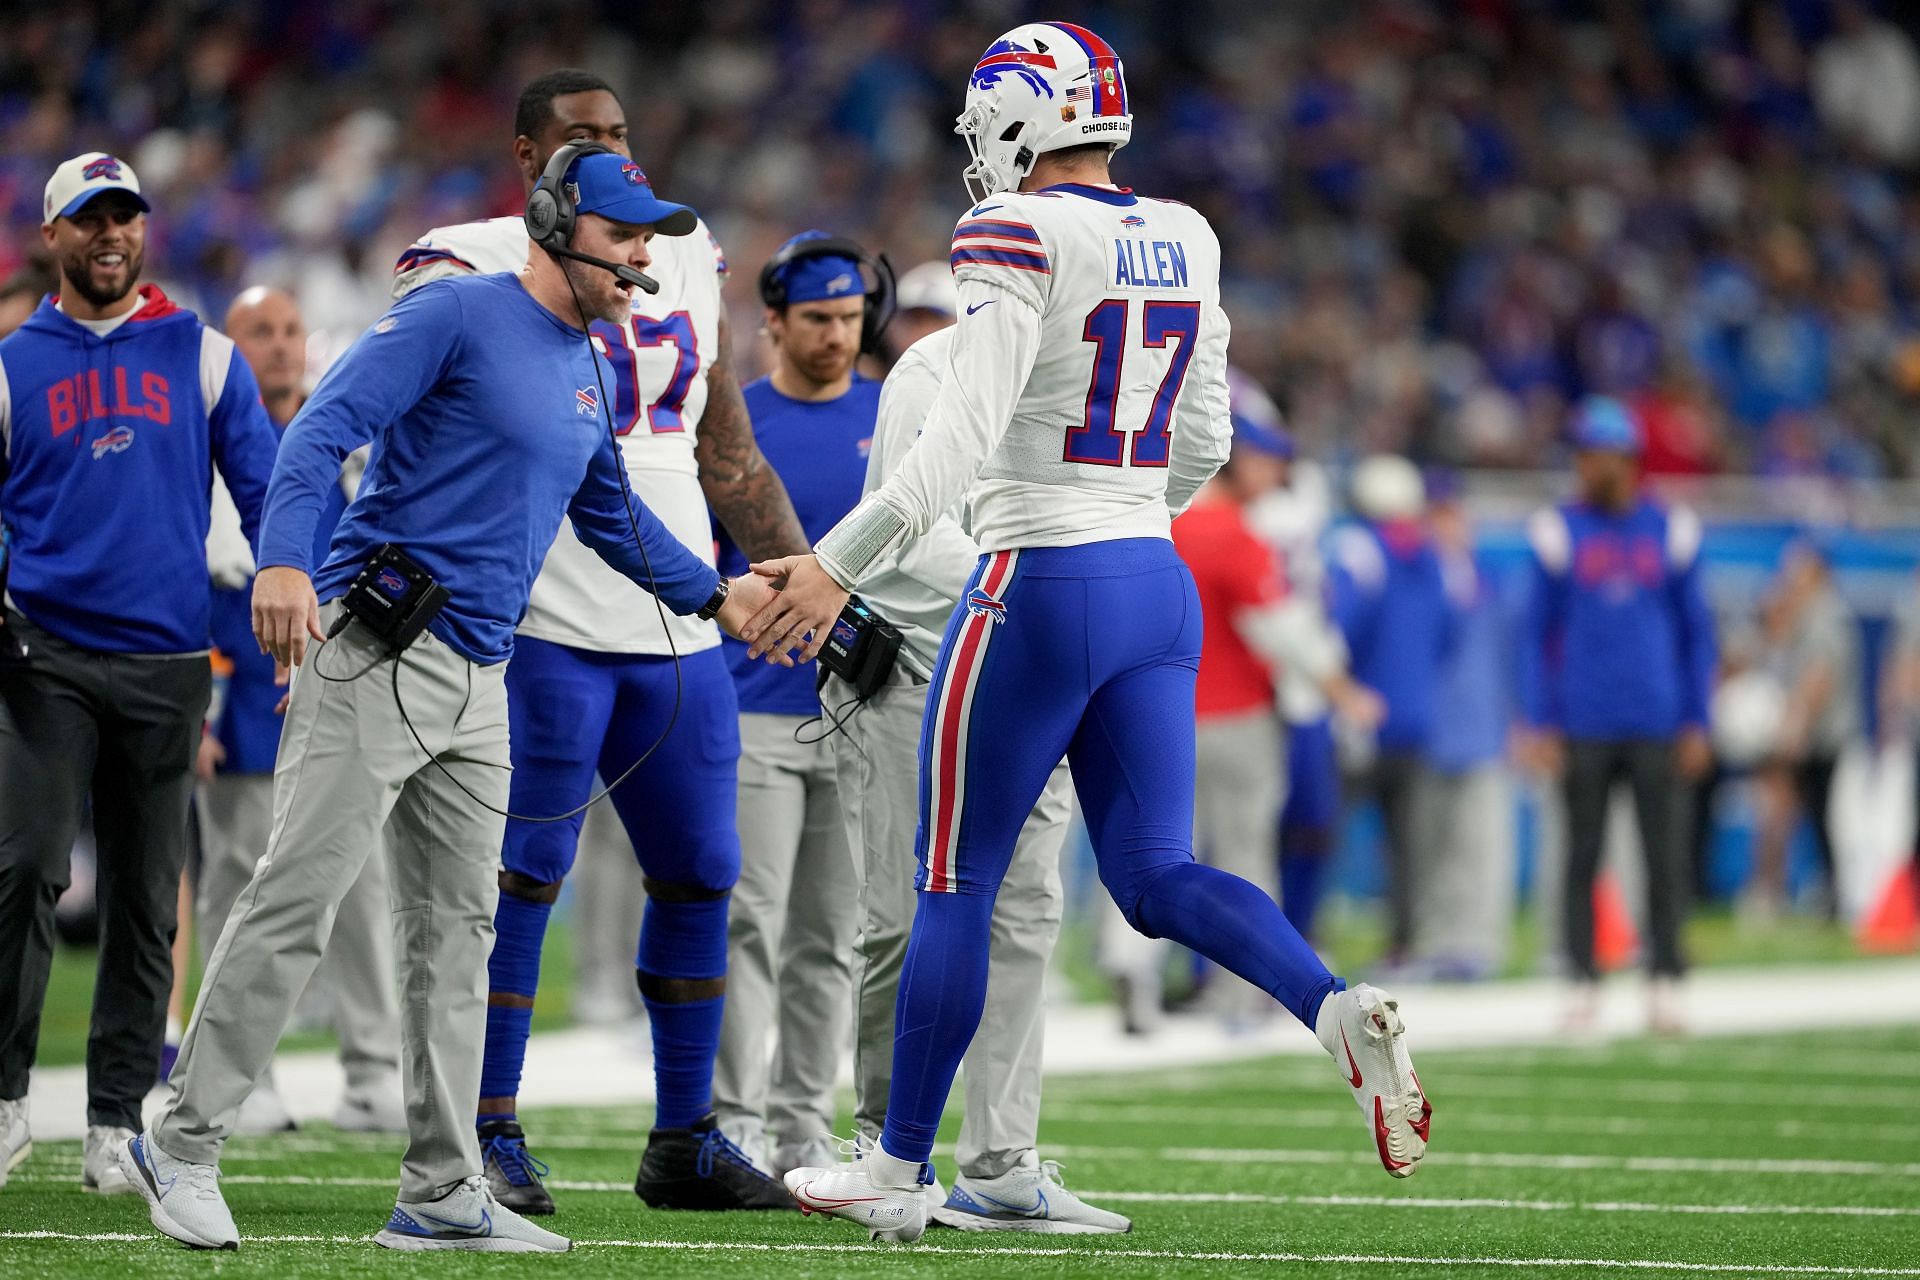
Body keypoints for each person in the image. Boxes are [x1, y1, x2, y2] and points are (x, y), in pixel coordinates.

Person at [740, 23, 1432, 1241]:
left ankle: (901, 1168)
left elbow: (955, 446)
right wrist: (1117, 522)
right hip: (1150, 580)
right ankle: (1334, 1006)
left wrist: (831, 566)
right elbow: (1207, 442)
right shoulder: (1191, 234)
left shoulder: (1010, 229)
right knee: (1157, 874)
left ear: (1018, 118)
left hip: (1038, 579)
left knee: (952, 878)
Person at [118, 148, 780, 1254]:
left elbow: (610, 516)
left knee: (458, 935)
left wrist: (721, 593)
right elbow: (321, 429)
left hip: (482, 675)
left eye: (651, 237)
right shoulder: (454, 314)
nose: (642, 256)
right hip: (377, 649)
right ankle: (178, 1140)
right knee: (299, 898)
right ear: (558, 223)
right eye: (623, 234)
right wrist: (285, 559)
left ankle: (441, 1185)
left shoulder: (592, 366)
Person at [391, 68, 805, 1215]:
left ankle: (685, 1136)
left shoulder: (682, 246)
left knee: (704, 871)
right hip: (543, 612)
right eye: (583, 139)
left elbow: (724, 449)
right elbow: (410, 434)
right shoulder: (463, 258)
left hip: (677, 618)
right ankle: (487, 1129)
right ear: (529, 165)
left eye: (623, 132)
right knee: (521, 878)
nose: (615, 153)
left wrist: (807, 578)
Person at [0, 152, 280, 1197]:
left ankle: (115, 1118)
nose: (111, 234)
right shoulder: (11, 362)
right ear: (54, 237)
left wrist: (295, 575)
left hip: (169, 659)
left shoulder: (203, 355)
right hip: (45, 657)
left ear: (141, 231)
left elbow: (265, 491)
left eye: (125, 216)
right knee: (23, 864)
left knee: (148, 901)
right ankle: (5, 1098)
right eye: (89, 218)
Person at [833, 280, 1130, 1232]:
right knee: (898, 915)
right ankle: (885, 1149)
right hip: (923, 671)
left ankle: (1001, 1161)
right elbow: (902, 535)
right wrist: (1034, 603)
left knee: (1029, 915)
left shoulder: (1079, 379)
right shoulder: (932, 371)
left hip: (1030, 676)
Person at [187, 287, 405, 1133]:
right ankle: (248, 1077)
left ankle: (373, 1069)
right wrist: (200, 707)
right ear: (229, 351)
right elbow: (196, 575)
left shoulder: (343, 445)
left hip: (337, 675)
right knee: (239, 881)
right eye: (257, 334)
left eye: (287, 330)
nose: (278, 348)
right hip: (240, 685)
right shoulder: (206, 449)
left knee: (360, 879)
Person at [709, 233, 877, 1177]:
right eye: (817, 318)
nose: (837, 335)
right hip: (756, 709)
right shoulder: (736, 423)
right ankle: (731, 1122)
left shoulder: (894, 415)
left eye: (850, 317)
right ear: (773, 320)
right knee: (750, 921)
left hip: (860, 710)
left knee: (830, 937)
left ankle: (804, 1128)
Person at [1517, 396, 1715, 1035]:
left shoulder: (1672, 528)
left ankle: (1666, 977)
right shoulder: (1556, 531)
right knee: (1582, 854)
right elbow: (1533, 635)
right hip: (1583, 719)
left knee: (1665, 856)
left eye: (1599, 455)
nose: (1589, 467)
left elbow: (1697, 632)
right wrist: (1538, 720)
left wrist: (1697, 718)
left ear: (1627, 460)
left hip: (1657, 716)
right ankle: (1582, 977)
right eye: (1583, 455)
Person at [1327, 454, 1460, 970]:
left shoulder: (1361, 550)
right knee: (1406, 845)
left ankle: (1312, 935)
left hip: (1361, 715)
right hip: (1415, 717)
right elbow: (1449, 633)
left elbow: (1341, 627)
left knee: (1325, 834)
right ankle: (1404, 944)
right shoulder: (1435, 554)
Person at [1409, 475, 1516, 981]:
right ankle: (1437, 941)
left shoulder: (1489, 579)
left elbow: (1510, 658)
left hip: (1482, 729)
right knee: (1432, 846)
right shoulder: (1415, 579)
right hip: (1429, 733)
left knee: (1481, 844)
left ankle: (1479, 942)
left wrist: (1517, 720)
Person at [1748, 544, 1861, 920]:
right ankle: (1814, 890)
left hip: (1826, 736)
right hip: (1818, 734)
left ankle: (1831, 894)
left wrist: (1797, 725)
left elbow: (1818, 678)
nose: (1790, 578)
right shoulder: (1807, 614)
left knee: (1823, 818)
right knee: (1809, 817)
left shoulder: (1826, 615)